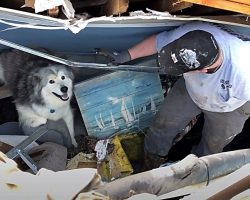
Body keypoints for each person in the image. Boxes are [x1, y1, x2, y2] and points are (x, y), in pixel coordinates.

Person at [101, 21, 250, 170]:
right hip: (191, 90)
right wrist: (125, 56)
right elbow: (158, 41)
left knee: (213, 146)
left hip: (229, 108)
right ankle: (150, 164)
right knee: (161, 126)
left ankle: (195, 171)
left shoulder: (244, 72)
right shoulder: (194, 34)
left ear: (202, 70)